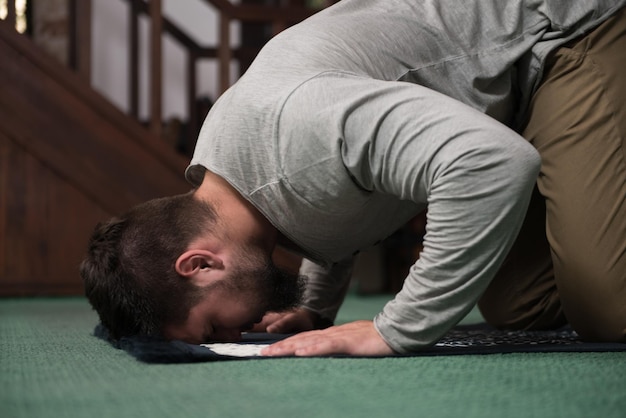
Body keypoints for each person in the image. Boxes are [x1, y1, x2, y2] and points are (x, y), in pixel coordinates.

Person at [81, 0, 626, 356]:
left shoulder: (301, 130)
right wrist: (316, 308)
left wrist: (396, 329)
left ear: (200, 264)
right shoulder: (233, 175)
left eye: (211, 330)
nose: (231, 338)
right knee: (519, 307)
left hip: (563, 37)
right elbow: (332, 198)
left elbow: (493, 162)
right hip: (505, 98)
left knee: (609, 311)